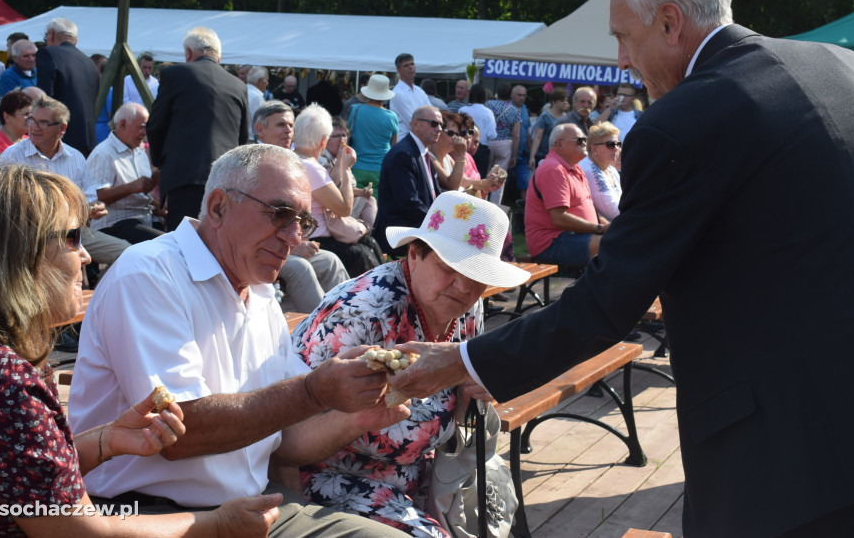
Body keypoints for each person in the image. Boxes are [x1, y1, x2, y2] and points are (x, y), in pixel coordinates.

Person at [389, 0, 854, 538]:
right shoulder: (846, 67)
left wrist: (462, 360)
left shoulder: (681, 122)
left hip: (813, 448)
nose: (619, 60)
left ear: (669, 23)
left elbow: (608, 301)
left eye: (623, 37)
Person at [68, 144, 407, 538]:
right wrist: (315, 391)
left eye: (303, 221)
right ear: (217, 208)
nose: (294, 236)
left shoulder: (259, 290)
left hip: (250, 508)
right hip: (147, 516)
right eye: (281, 215)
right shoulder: (148, 274)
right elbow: (179, 433)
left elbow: (284, 439)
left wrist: (358, 412)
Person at [0, 165, 282, 537]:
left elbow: (25, 479)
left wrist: (108, 439)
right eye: (73, 238)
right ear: (19, 254)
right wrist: (219, 524)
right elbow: (78, 532)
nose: (85, 256)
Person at [293, 191, 528, 536]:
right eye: (449, 266)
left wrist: (473, 386)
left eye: (477, 274)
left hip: (423, 471)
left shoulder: (465, 305)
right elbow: (290, 432)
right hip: (336, 478)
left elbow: (460, 391)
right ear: (415, 254)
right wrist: (358, 418)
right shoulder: (359, 313)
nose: (463, 286)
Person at [0, 96, 130, 269]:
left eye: (43, 123)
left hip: (70, 232)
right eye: (32, 120)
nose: (34, 128)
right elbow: (2, 204)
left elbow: (88, 200)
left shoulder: (75, 157)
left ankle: (94, 295)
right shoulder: (12, 156)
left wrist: (95, 207)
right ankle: (75, 284)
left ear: (62, 129)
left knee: (126, 253)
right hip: (29, 234)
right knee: (68, 261)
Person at [146, 26, 249, 231]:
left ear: (189, 53)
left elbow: (156, 124)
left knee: (184, 243)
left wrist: (159, 162)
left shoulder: (174, 74)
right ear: (218, 56)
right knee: (217, 242)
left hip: (185, 176)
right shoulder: (238, 85)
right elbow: (242, 138)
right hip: (225, 179)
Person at [254, 102, 351, 315]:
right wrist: (291, 246)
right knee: (301, 268)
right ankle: (324, 332)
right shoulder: (250, 163)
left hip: (286, 243)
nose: (288, 130)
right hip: (254, 246)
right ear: (260, 130)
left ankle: (350, 319)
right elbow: (249, 221)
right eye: (281, 125)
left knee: (330, 261)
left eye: (291, 125)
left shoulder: (288, 162)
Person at [294, 104, 384, 277]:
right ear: (323, 141)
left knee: (369, 243)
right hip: (319, 239)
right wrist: (346, 169)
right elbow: (344, 209)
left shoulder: (294, 157)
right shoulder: (311, 166)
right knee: (363, 253)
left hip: (316, 235)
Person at [524, 123, 606, 265]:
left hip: (574, 236)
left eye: (585, 140)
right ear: (559, 145)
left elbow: (588, 206)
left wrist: (608, 226)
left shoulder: (574, 167)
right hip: (551, 243)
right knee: (612, 245)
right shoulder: (554, 169)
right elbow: (559, 218)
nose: (584, 144)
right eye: (579, 141)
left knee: (622, 239)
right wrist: (599, 229)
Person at [87, 102, 163, 245]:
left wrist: (160, 209)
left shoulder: (139, 151)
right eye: (141, 127)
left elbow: (139, 193)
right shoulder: (103, 153)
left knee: (175, 237)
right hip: (114, 223)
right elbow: (97, 197)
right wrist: (131, 187)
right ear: (122, 125)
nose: (145, 132)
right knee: (162, 243)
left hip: (141, 219)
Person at [374, 105, 443, 256]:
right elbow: (407, 202)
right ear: (416, 124)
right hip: (401, 235)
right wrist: (438, 224)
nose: (439, 129)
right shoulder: (403, 154)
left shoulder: (421, 152)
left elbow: (434, 194)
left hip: (418, 227)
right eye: (434, 123)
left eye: (441, 125)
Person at [36, 17, 101, 155]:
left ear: (52, 34)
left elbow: (45, 99)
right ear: (75, 40)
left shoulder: (47, 53)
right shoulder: (89, 62)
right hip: (88, 138)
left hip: (59, 137)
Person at [320, 116, 377, 228]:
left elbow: (347, 188)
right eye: (336, 136)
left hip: (343, 204)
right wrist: (341, 162)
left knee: (370, 200)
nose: (342, 140)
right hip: (329, 208)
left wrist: (362, 191)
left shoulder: (341, 157)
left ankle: (368, 234)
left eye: (344, 135)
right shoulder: (322, 156)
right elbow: (330, 186)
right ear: (326, 139)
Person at [346, 73, 399, 193]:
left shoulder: (356, 110)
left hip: (356, 166)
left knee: (356, 207)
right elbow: (393, 145)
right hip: (381, 168)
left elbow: (348, 133)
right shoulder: (391, 116)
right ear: (385, 96)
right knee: (376, 208)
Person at [430, 111, 502, 197]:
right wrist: (461, 155)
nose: (457, 138)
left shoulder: (446, 157)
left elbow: (464, 181)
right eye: (451, 133)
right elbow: (452, 187)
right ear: (438, 132)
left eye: (457, 134)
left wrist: (488, 184)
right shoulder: (430, 157)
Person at [484, 82, 521, 205]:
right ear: (510, 95)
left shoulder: (488, 104)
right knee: (499, 178)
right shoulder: (515, 111)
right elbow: (516, 135)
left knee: (485, 174)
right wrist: (514, 155)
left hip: (488, 142)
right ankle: (495, 206)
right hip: (504, 144)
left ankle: (481, 201)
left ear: (497, 93)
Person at [579, 121, 623, 221]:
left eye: (618, 144)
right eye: (611, 144)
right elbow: (614, 212)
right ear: (594, 149)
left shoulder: (610, 168)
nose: (616, 149)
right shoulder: (589, 171)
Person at [390, 53, 429, 141]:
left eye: (412, 64)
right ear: (399, 70)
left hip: (419, 139)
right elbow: (414, 122)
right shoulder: (398, 93)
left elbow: (432, 112)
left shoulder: (419, 91)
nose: (411, 67)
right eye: (406, 65)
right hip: (405, 141)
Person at [528, 87, 569, 171]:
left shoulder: (567, 117)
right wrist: (532, 156)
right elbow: (537, 137)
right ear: (554, 102)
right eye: (562, 100)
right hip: (544, 155)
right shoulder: (545, 116)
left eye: (566, 100)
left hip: (561, 156)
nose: (565, 103)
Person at [458, 86, 495, 178]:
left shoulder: (463, 110)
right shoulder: (488, 112)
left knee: (462, 175)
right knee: (480, 178)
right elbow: (492, 135)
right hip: (482, 149)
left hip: (464, 146)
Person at [510, 84, 532, 195]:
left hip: (523, 152)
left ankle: (524, 208)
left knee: (524, 182)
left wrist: (531, 151)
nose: (522, 98)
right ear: (512, 95)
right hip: (509, 151)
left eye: (524, 95)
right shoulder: (507, 109)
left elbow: (527, 131)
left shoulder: (524, 109)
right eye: (519, 95)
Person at [246, 66, 269, 139]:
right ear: (260, 81)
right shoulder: (257, 97)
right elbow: (259, 121)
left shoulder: (242, 90)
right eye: (266, 80)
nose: (267, 83)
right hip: (252, 139)